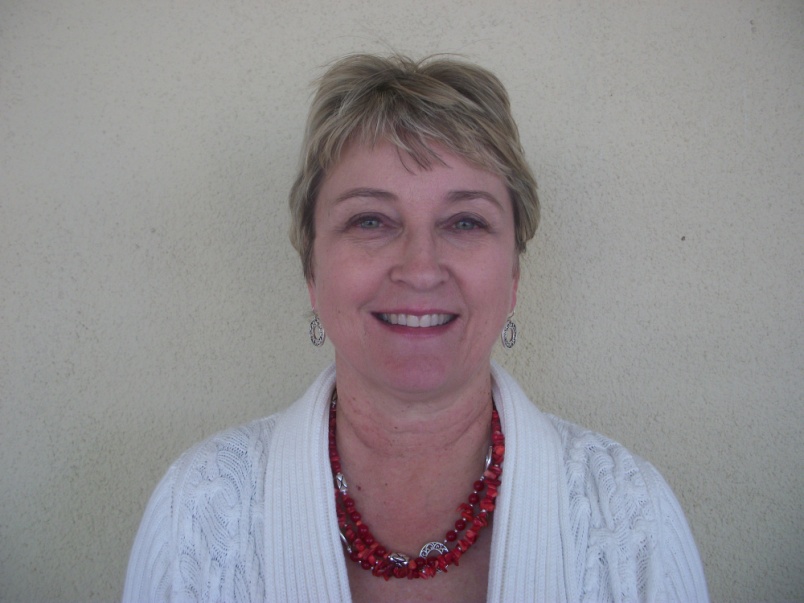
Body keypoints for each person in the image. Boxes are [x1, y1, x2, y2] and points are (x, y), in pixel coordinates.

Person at [123, 53, 708, 602]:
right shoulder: (195, 513)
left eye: (464, 222)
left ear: (513, 275)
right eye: (371, 220)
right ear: (311, 270)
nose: (421, 269)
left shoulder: (633, 517)